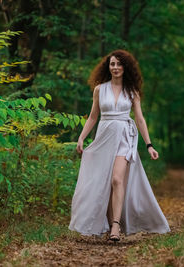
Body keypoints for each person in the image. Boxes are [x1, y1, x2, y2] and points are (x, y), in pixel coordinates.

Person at [69, 49, 170, 242]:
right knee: (106, 182)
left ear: (126, 67)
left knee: (117, 179)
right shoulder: (100, 89)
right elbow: (93, 117)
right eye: (112, 64)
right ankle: (108, 224)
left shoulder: (132, 93)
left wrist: (149, 145)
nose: (115, 67)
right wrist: (81, 138)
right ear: (108, 67)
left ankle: (115, 226)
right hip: (104, 137)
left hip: (125, 137)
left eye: (119, 64)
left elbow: (139, 119)